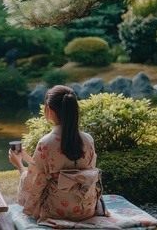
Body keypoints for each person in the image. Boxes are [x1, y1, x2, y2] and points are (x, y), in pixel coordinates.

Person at [9, 85, 103, 222]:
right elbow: (82, 174)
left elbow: (35, 181)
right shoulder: (88, 139)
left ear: (50, 110)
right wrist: (27, 158)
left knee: (25, 178)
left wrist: (19, 165)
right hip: (86, 209)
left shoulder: (46, 143)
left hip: (58, 212)